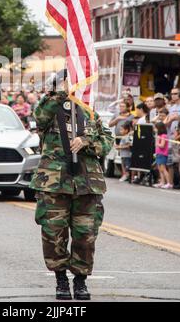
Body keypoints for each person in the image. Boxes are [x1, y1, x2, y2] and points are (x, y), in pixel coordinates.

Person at [30, 69, 113, 301]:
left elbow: (107, 141)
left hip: (87, 185)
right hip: (54, 184)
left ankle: (80, 280)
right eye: (69, 83)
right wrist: (59, 91)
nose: (74, 87)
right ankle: (60, 280)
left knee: (85, 236)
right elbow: (40, 117)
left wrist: (86, 141)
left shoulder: (90, 112)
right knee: (53, 234)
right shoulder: (49, 109)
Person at [153, 122, 171, 189]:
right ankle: (162, 182)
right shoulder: (159, 136)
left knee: (163, 169)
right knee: (160, 169)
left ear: (159, 128)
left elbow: (162, 145)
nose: (155, 129)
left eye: (156, 128)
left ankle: (169, 183)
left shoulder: (164, 136)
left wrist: (157, 142)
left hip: (162, 154)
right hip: (158, 153)